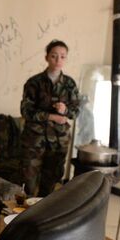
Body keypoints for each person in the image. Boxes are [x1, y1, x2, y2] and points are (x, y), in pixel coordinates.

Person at [20, 39, 80, 197]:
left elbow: (76, 112)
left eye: (62, 56)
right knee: (29, 182)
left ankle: (44, 218)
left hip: (58, 142)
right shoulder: (34, 83)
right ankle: (24, 218)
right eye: (54, 56)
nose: (58, 60)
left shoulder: (69, 84)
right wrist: (51, 116)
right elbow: (25, 111)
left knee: (51, 182)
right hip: (34, 139)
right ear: (47, 57)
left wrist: (65, 109)